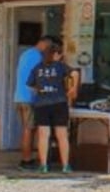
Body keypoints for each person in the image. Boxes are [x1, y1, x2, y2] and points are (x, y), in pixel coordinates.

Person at [27, 38, 77, 174]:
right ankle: (65, 165)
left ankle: (43, 165)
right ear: (55, 54)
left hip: (42, 104)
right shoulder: (60, 66)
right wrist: (73, 88)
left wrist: (42, 89)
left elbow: (31, 85)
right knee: (62, 135)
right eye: (59, 54)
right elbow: (75, 73)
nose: (60, 56)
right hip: (59, 102)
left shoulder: (37, 68)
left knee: (43, 135)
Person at [14, 35, 59, 169]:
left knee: (27, 129)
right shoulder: (37, 57)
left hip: (19, 96)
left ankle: (27, 158)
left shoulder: (25, 54)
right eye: (51, 47)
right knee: (30, 130)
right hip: (30, 98)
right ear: (45, 44)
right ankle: (26, 160)